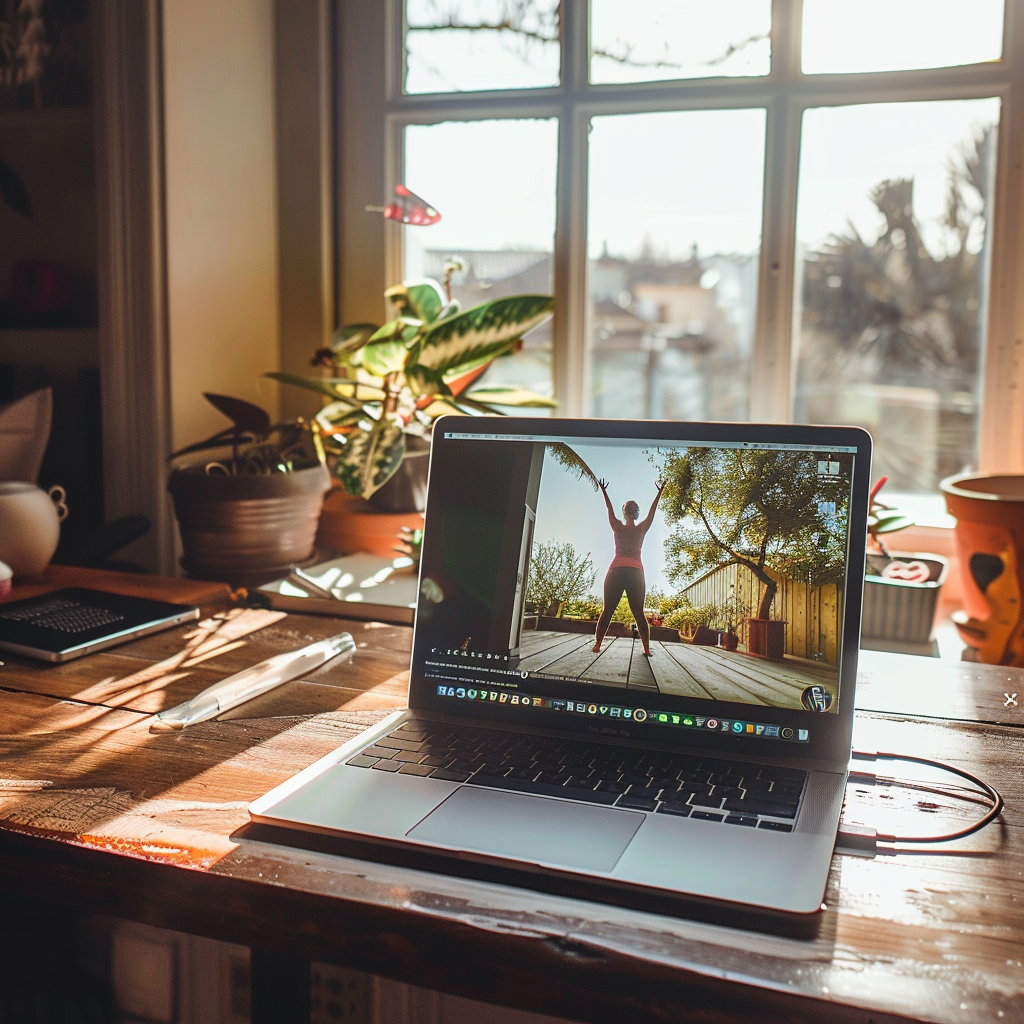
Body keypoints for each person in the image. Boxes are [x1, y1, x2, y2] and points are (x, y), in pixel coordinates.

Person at [592, 477, 664, 657]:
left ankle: (598, 645)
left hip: (619, 570)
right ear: (635, 513)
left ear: (625, 513)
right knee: (636, 612)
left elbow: (609, 509)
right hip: (633, 572)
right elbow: (652, 512)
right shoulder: (640, 528)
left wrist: (604, 491)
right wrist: (659, 492)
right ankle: (646, 649)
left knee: (609, 610)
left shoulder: (619, 526)